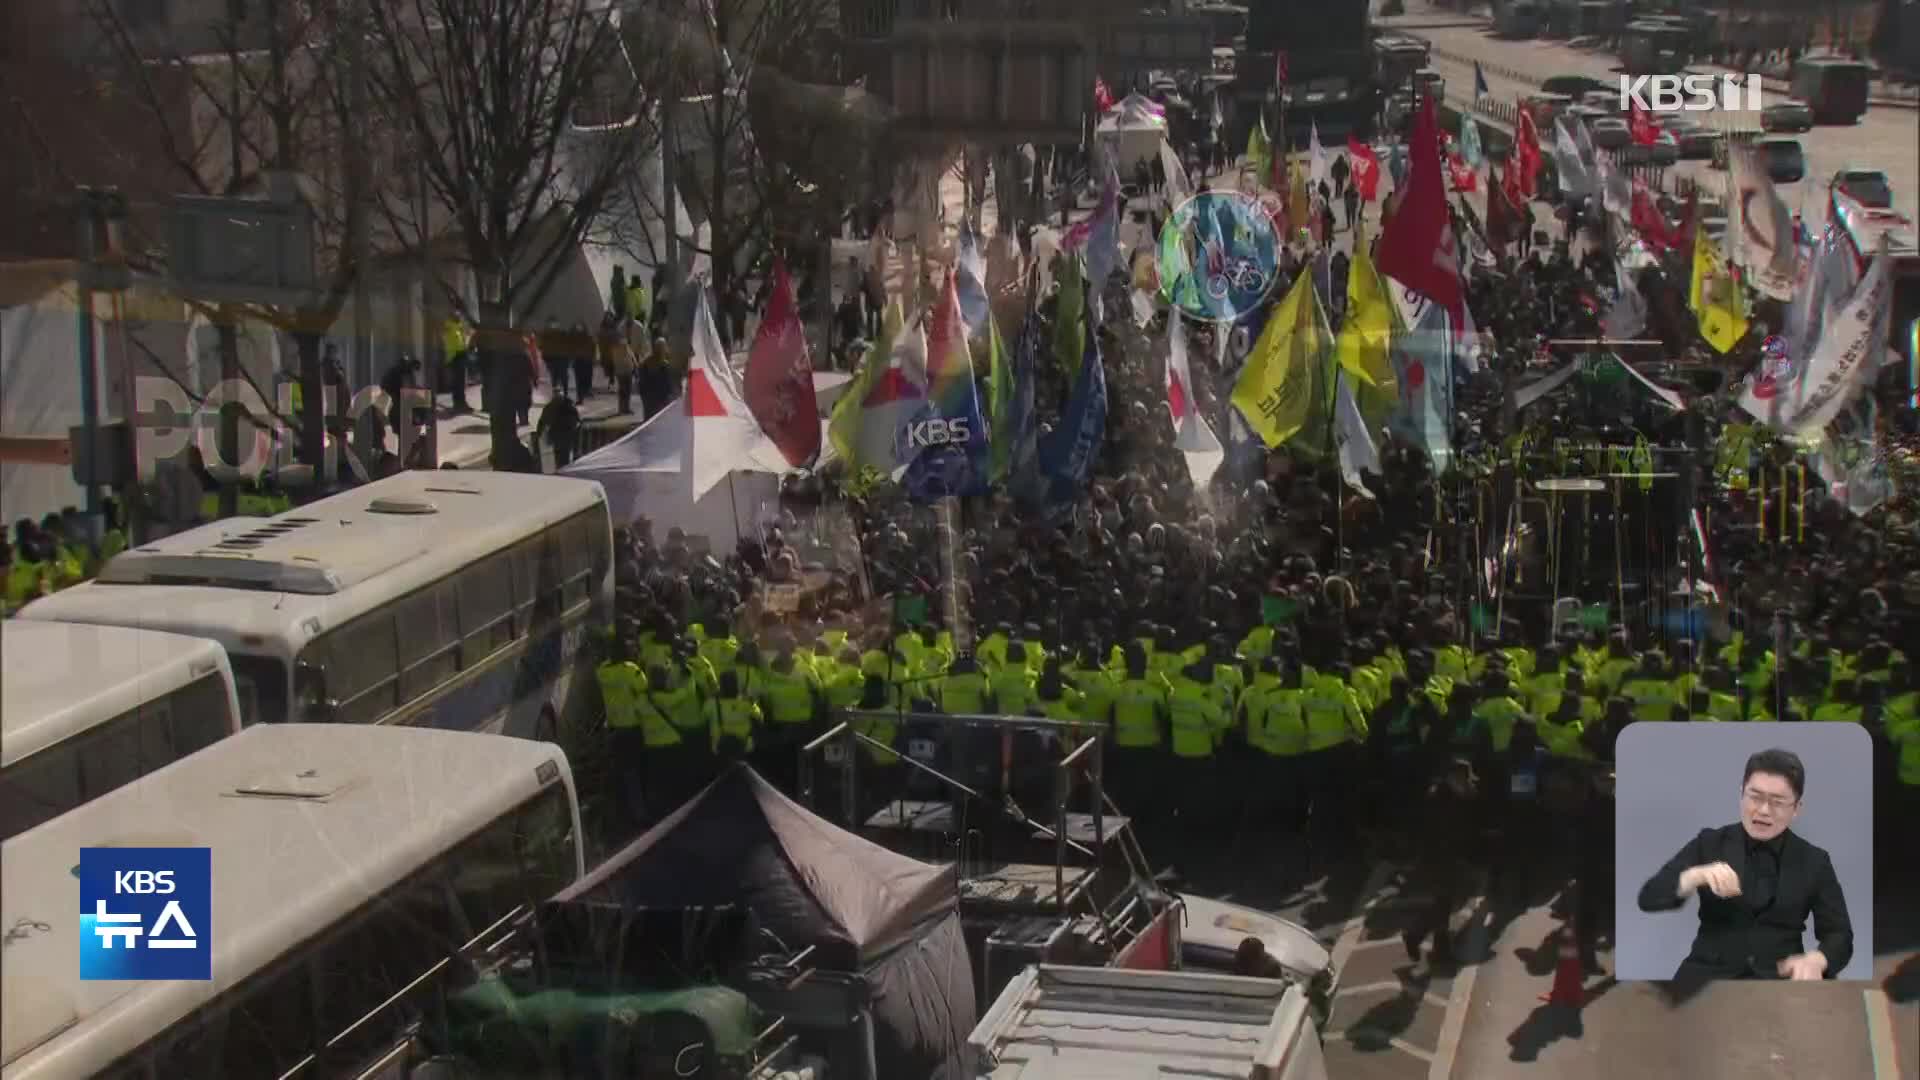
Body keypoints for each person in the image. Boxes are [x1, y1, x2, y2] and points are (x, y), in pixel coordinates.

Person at [1634, 747, 1853, 981]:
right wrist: (1695, 876)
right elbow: (1648, 897)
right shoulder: (1710, 843)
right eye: (1755, 797)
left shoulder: (1815, 860)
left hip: (1781, 980)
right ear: (1741, 793)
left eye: (1777, 802)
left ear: (1797, 808)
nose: (1763, 810)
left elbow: (1839, 934)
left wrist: (1818, 960)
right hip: (1708, 976)